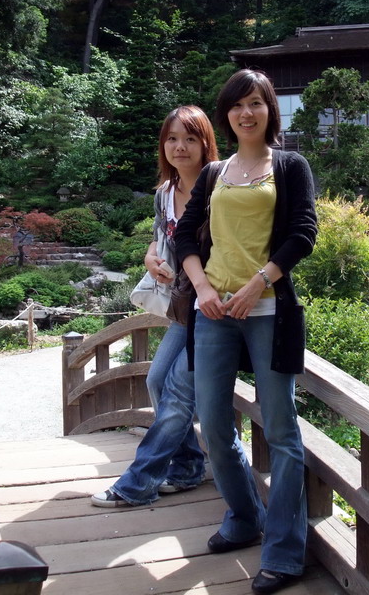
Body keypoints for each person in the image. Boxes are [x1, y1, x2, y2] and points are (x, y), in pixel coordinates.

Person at [174, 69, 317, 595]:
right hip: (214, 313)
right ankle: (243, 515)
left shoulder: (289, 165)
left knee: (281, 429)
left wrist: (259, 283)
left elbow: (304, 233)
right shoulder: (214, 172)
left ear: (269, 110)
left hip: (269, 310)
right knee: (212, 423)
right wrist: (203, 289)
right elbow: (185, 236)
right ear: (227, 114)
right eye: (237, 105)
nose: (245, 113)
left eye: (255, 103)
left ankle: (283, 552)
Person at [91, 105, 219, 507]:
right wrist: (151, 258)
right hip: (185, 306)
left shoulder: (221, 186)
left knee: (178, 394)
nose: (180, 147)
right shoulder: (165, 193)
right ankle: (187, 467)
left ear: (205, 143)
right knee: (155, 381)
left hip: (218, 307)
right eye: (172, 138)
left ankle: (137, 483)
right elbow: (158, 238)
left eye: (190, 138)